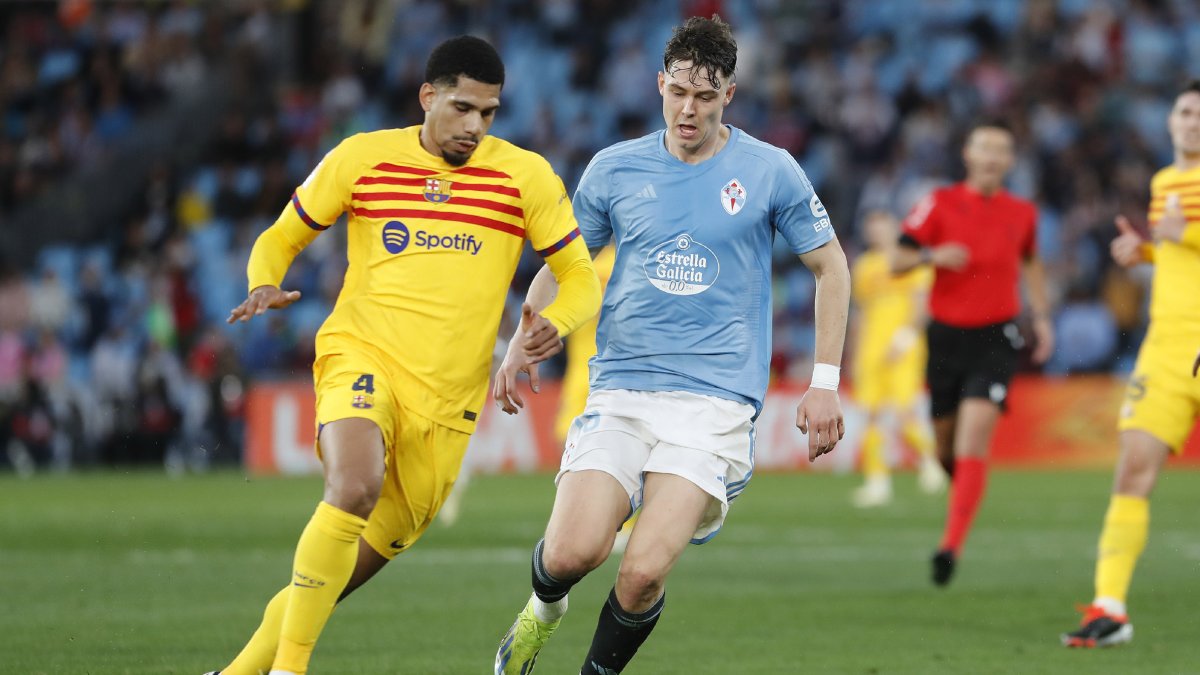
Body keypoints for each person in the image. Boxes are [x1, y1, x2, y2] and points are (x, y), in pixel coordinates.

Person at [207, 36, 601, 675]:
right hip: (363, 359)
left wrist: (551, 324)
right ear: (428, 97)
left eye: (489, 112)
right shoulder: (363, 158)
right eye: (463, 108)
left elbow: (579, 276)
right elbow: (282, 235)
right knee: (353, 485)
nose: (475, 125)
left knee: (331, 579)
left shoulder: (524, 176)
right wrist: (262, 280)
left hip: (446, 411)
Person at [491, 16, 851, 675]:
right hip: (623, 388)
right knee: (572, 553)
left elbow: (832, 266)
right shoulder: (615, 168)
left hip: (713, 405)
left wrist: (823, 379)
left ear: (729, 97)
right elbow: (567, 263)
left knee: (644, 570)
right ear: (659, 84)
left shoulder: (770, 171)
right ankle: (541, 614)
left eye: (705, 97)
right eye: (679, 92)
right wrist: (521, 336)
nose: (689, 109)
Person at [1061, 81, 1200, 648]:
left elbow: (1186, 240)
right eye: (1186, 112)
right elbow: (1179, 252)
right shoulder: (1166, 182)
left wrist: (1183, 235)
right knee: (1133, 466)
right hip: (1167, 347)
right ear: (1170, 121)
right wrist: (1144, 250)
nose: (1193, 122)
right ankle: (1110, 608)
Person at [892, 120, 1054, 587]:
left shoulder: (1023, 212)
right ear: (968, 153)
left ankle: (949, 547)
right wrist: (932, 257)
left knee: (973, 439)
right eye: (984, 146)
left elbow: (1032, 260)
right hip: (945, 338)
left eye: (1001, 149)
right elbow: (897, 260)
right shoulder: (938, 204)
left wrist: (1041, 317)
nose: (991, 156)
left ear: (1010, 160)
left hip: (997, 339)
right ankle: (962, 492)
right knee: (946, 448)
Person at [849, 210, 945, 508]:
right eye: (872, 230)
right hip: (871, 350)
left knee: (906, 412)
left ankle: (932, 463)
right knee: (872, 415)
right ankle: (878, 482)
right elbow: (860, 312)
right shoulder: (864, 266)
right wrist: (853, 353)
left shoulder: (911, 260)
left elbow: (923, 303)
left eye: (882, 228)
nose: (877, 235)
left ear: (895, 228)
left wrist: (905, 337)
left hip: (905, 348)